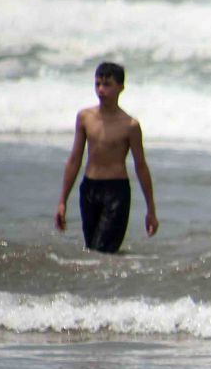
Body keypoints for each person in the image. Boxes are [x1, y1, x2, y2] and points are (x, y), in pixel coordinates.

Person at [54, 61, 157, 253]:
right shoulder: (85, 117)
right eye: (97, 84)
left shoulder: (130, 125)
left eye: (107, 84)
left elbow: (141, 166)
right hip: (89, 189)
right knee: (92, 249)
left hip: (116, 192)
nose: (101, 90)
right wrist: (62, 201)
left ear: (121, 87)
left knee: (102, 250)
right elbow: (75, 159)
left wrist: (150, 210)